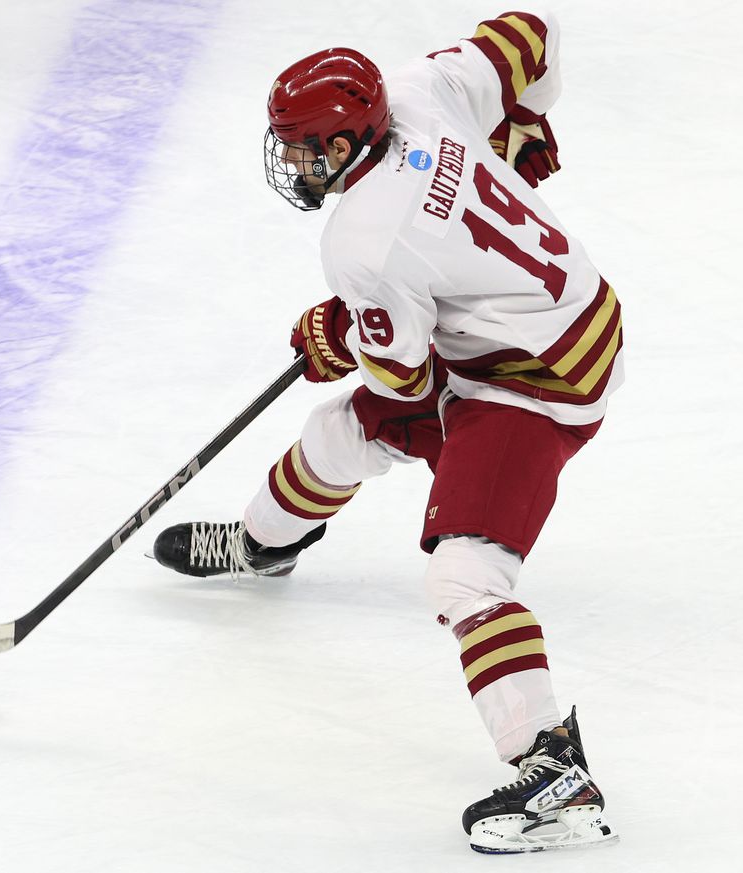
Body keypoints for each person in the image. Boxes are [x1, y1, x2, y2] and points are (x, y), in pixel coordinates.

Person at [153, 10, 623, 854]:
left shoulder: (362, 240)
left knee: (464, 574)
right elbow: (528, 30)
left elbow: (402, 378)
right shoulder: (419, 87)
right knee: (339, 435)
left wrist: (343, 335)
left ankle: (556, 774)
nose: (291, 161)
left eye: (300, 147)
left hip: (539, 382)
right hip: (559, 316)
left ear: (340, 146)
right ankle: (265, 545)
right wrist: (526, 121)